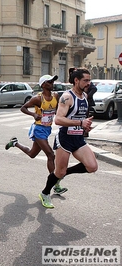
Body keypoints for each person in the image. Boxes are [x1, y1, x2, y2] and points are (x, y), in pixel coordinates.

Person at [39, 68, 98, 208]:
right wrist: (80, 123)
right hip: (65, 138)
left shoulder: (85, 97)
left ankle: (64, 174)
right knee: (59, 171)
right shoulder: (67, 97)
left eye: (89, 80)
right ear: (76, 80)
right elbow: (58, 120)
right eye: (85, 80)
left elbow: (80, 119)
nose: (88, 83)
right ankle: (45, 193)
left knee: (92, 166)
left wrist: (85, 126)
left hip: (78, 139)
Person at [5, 75, 67, 194]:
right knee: (50, 155)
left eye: (53, 81)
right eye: (49, 82)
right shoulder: (37, 99)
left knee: (32, 154)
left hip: (47, 129)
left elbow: (59, 110)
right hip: (38, 129)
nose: (52, 83)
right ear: (43, 84)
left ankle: (15, 143)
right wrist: (33, 115)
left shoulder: (55, 96)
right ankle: (55, 184)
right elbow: (23, 108)